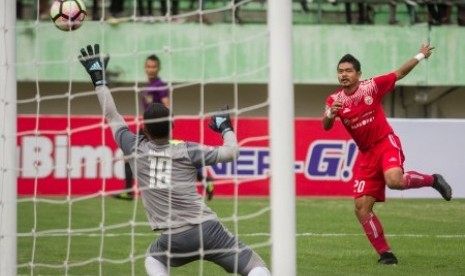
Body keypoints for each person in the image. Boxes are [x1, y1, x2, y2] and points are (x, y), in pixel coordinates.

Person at [78, 44, 271, 276]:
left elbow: (112, 115)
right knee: (255, 266)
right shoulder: (187, 150)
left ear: (145, 130)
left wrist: (99, 80)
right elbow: (232, 152)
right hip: (209, 231)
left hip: (173, 241)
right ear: (172, 126)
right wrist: (225, 127)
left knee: (152, 259)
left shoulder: (133, 146)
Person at [322, 43, 452, 265]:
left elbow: (399, 73)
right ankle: (386, 255)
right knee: (361, 208)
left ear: (358, 74)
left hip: (385, 143)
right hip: (366, 155)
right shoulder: (334, 100)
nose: (343, 75)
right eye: (340, 71)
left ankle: (433, 180)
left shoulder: (371, 86)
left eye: (348, 71)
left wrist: (421, 55)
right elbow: (325, 125)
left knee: (394, 181)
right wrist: (329, 115)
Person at [114, 54, 215, 201]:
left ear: (159, 68)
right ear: (145, 68)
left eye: (154, 67)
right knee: (130, 155)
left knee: (175, 159)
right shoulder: (148, 86)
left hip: (156, 129)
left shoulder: (160, 85)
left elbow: (167, 106)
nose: (151, 69)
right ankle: (129, 191)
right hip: (147, 128)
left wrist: (165, 127)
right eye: (148, 66)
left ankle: (205, 181)